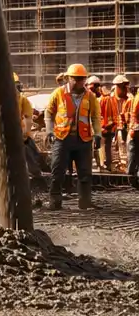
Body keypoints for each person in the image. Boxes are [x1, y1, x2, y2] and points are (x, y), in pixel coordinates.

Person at [46, 64, 101, 211]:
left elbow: (96, 117)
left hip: (83, 140)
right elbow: (49, 113)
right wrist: (49, 131)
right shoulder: (58, 93)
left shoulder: (90, 96)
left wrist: (97, 134)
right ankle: (55, 202)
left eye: (81, 79)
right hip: (62, 139)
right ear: (69, 78)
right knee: (57, 171)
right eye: (75, 79)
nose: (79, 82)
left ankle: (85, 202)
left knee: (85, 173)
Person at [110, 75, 131, 170]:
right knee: (115, 146)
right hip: (113, 126)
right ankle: (119, 163)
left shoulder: (129, 98)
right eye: (123, 86)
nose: (125, 89)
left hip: (124, 126)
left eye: (125, 86)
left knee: (123, 144)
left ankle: (124, 164)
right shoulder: (110, 98)